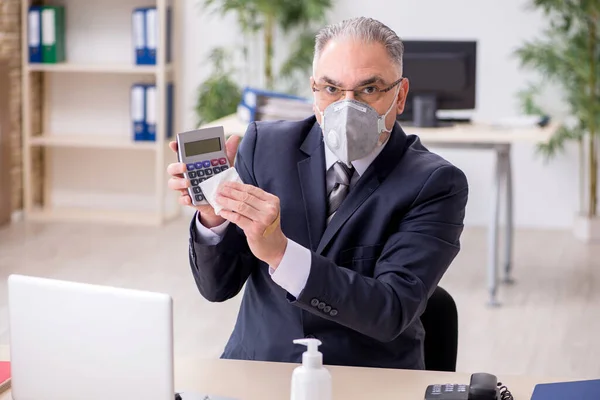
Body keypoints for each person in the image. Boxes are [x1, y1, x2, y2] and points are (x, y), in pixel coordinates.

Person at [167, 16, 468, 370]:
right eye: (331, 89)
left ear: (400, 96)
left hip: (364, 375)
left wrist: (280, 253)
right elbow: (217, 288)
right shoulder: (265, 146)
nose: (346, 106)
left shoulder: (435, 183)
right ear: (313, 92)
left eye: (368, 90)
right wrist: (215, 215)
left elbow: (391, 310)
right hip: (260, 365)